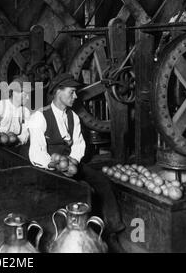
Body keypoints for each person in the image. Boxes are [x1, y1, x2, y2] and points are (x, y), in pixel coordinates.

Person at [27, 73, 126, 253]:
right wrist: (54, 164)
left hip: (71, 164)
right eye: (72, 92)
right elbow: (36, 153)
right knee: (81, 190)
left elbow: (79, 144)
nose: (75, 96)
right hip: (49, 168)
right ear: (58, 92)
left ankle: (112, 232)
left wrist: (73, 160)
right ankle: (76, 239)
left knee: (102, 182)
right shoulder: (39, 117)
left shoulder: (73, 116)